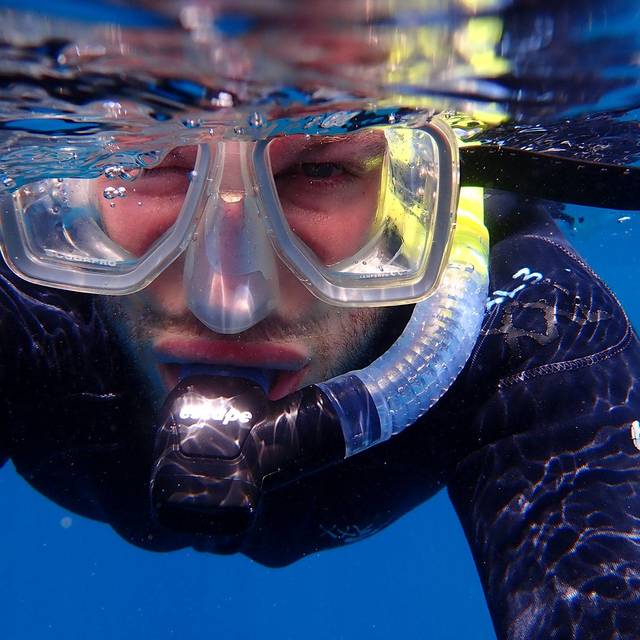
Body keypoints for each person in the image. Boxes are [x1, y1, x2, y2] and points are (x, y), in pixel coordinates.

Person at [3, 11, 640, 640]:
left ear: (412, 191)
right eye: (153, 164)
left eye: (320, 170)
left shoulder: (525, 325)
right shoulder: (25, 308)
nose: (230, 305)